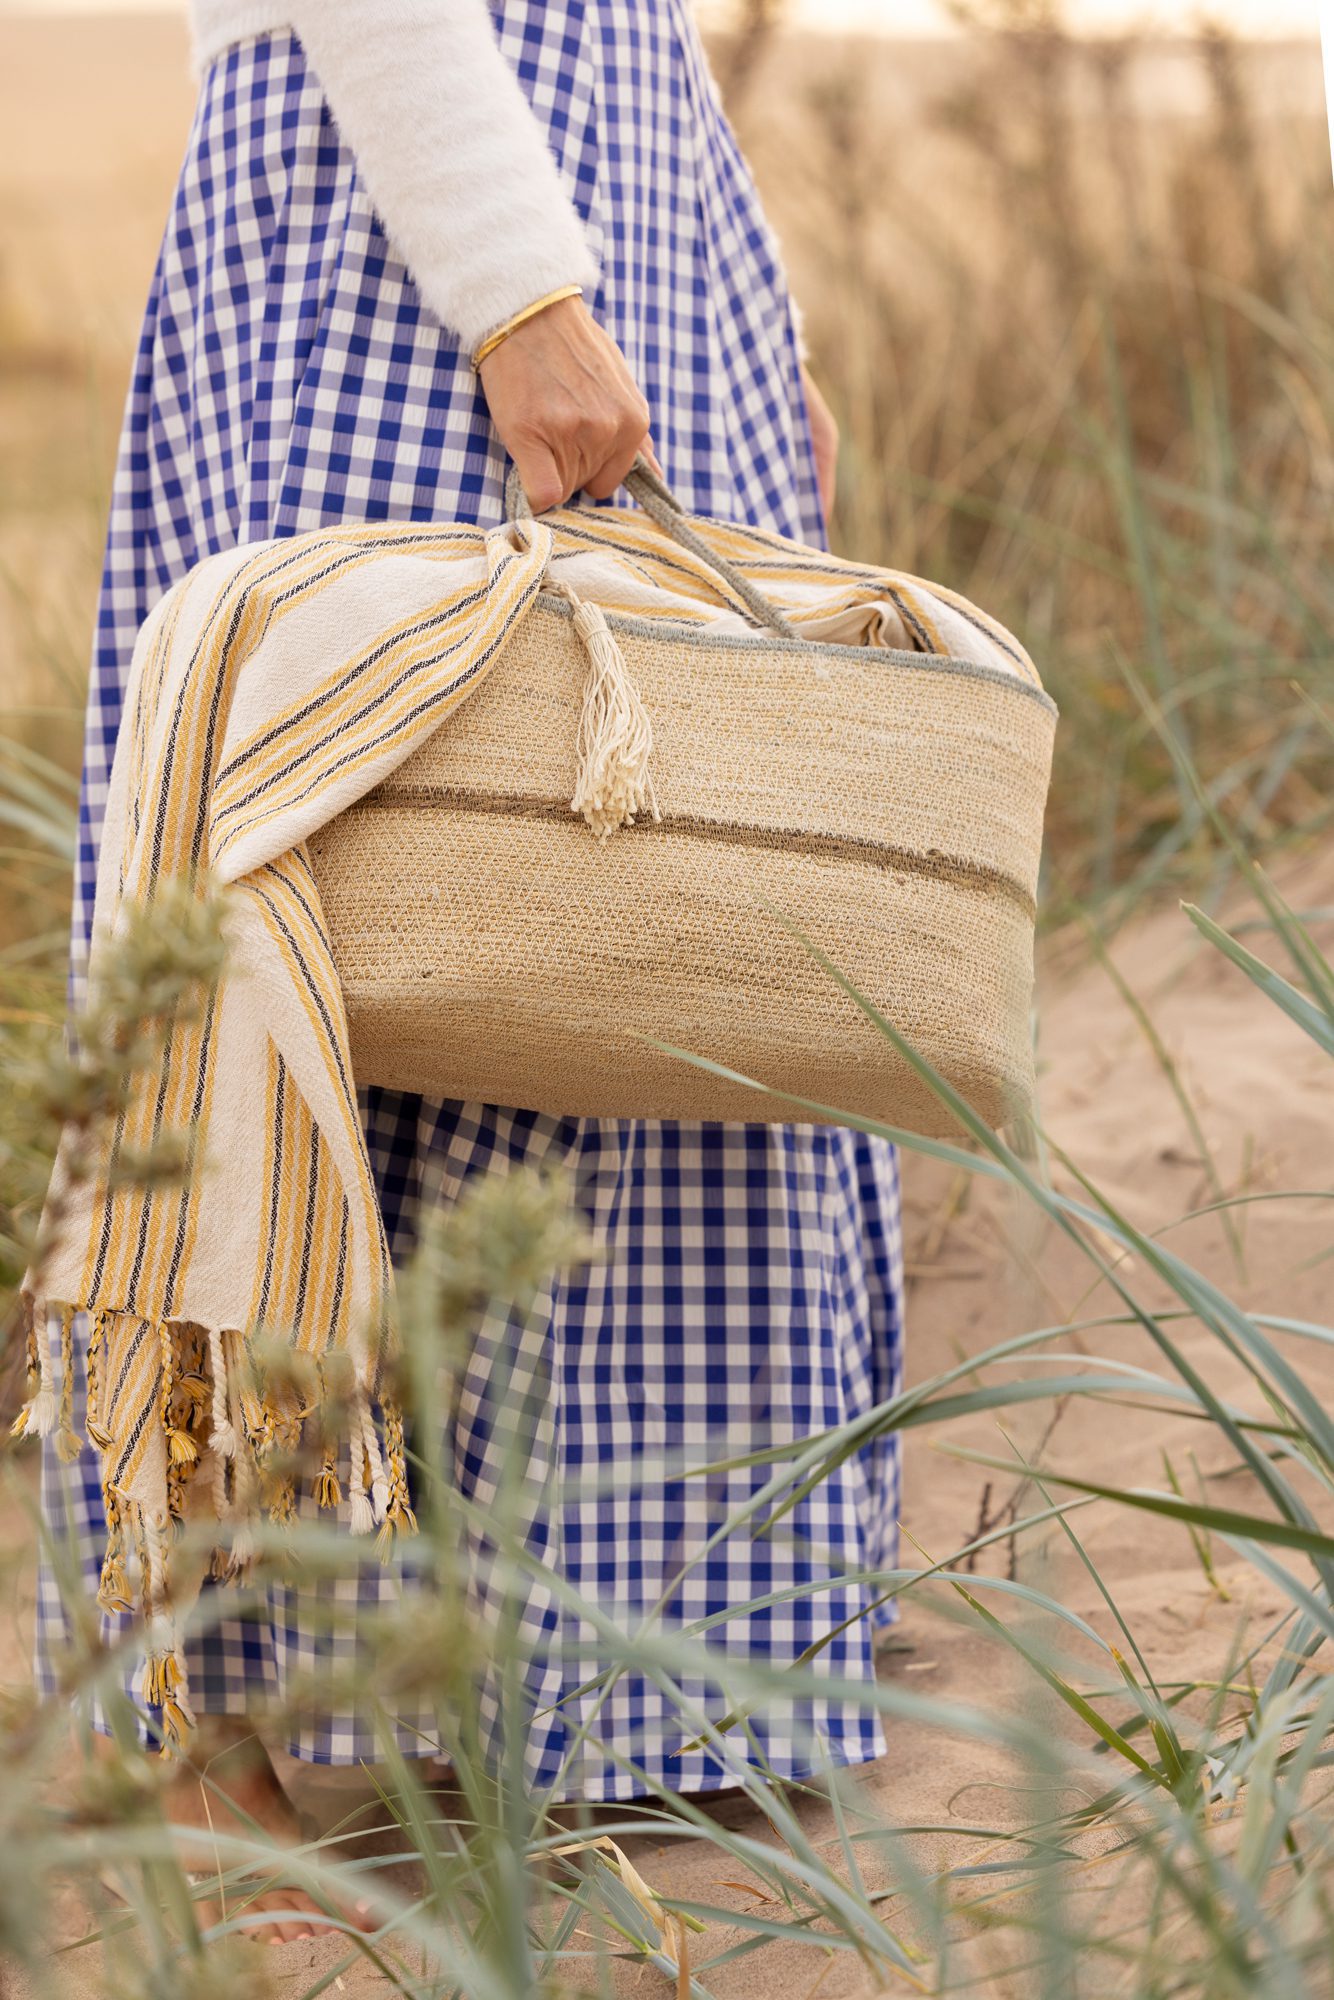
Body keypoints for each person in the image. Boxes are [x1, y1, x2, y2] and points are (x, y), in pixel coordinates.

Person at [35, 0, 905, 1944]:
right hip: (419, 205)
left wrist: (750, 314)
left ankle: (600, 1663)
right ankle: (201, 1694)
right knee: (315, 923)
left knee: (635, 917)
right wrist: (518, 293)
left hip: (602, 196)